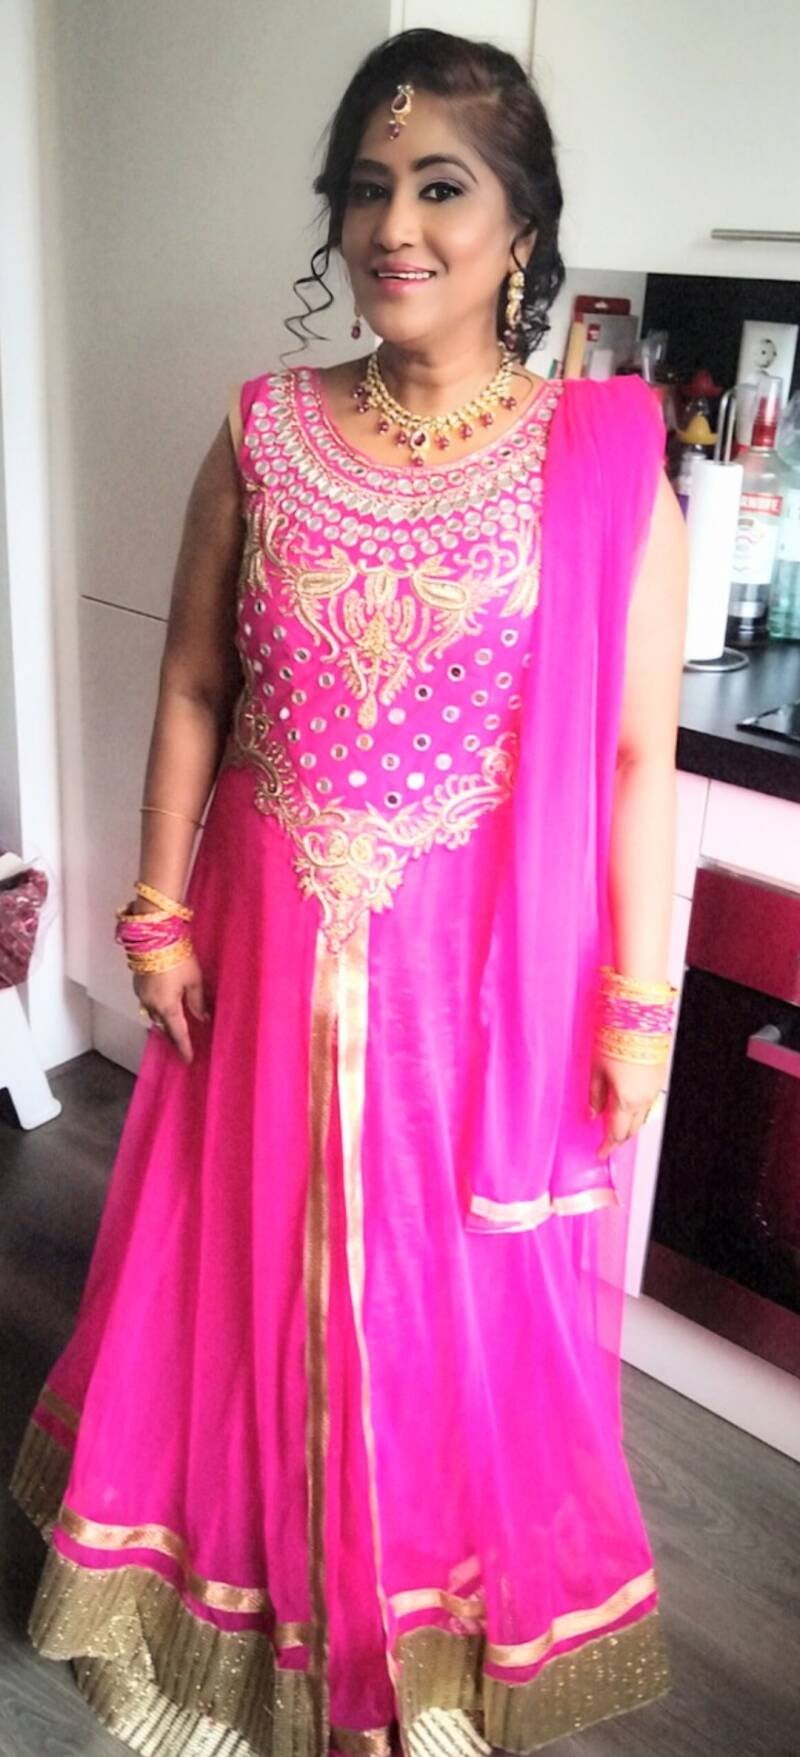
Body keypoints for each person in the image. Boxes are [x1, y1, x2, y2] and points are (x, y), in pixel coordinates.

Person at [9, 27, 689, 1757]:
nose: (395, 225)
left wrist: (638, 1004)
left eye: (441, 187)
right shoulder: (265, 431)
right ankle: (242, 1626)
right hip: (259, 944)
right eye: (366, 187)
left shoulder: (603, 459)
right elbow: (192, 684)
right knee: (244, 1287)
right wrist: (154, 909)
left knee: (444, 1306)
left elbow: (632, 760)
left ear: (520, 224)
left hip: (478, 987)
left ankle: (416, 1651)